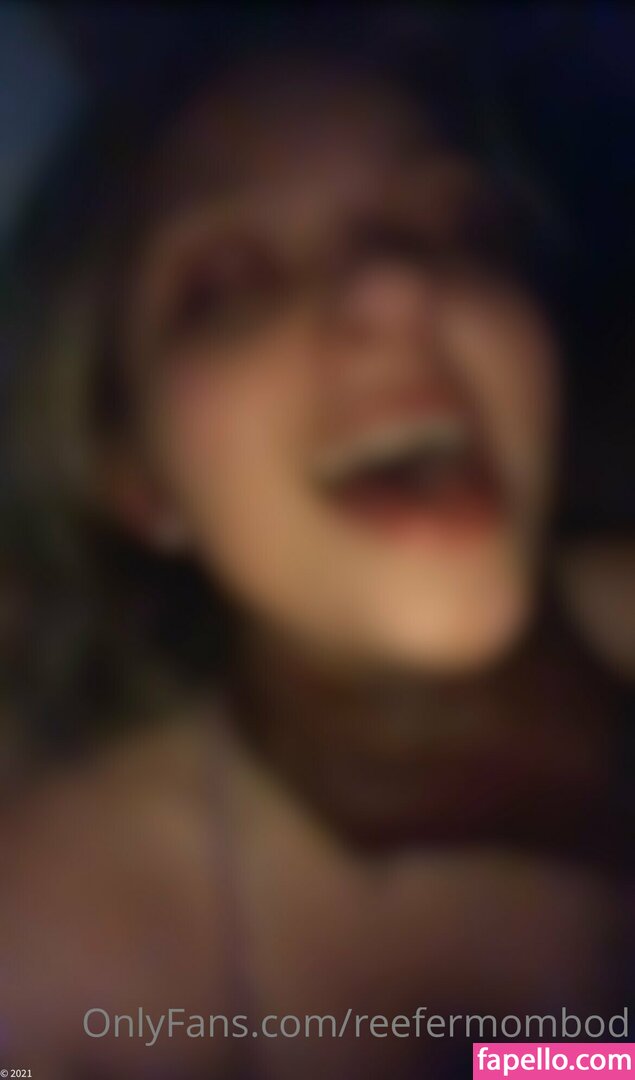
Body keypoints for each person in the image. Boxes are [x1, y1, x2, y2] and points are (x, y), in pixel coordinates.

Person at [0, 49, 632, 1080]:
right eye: (226, 286)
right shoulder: (58, 954)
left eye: (459, 232)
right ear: (139, 480)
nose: (396, 284)